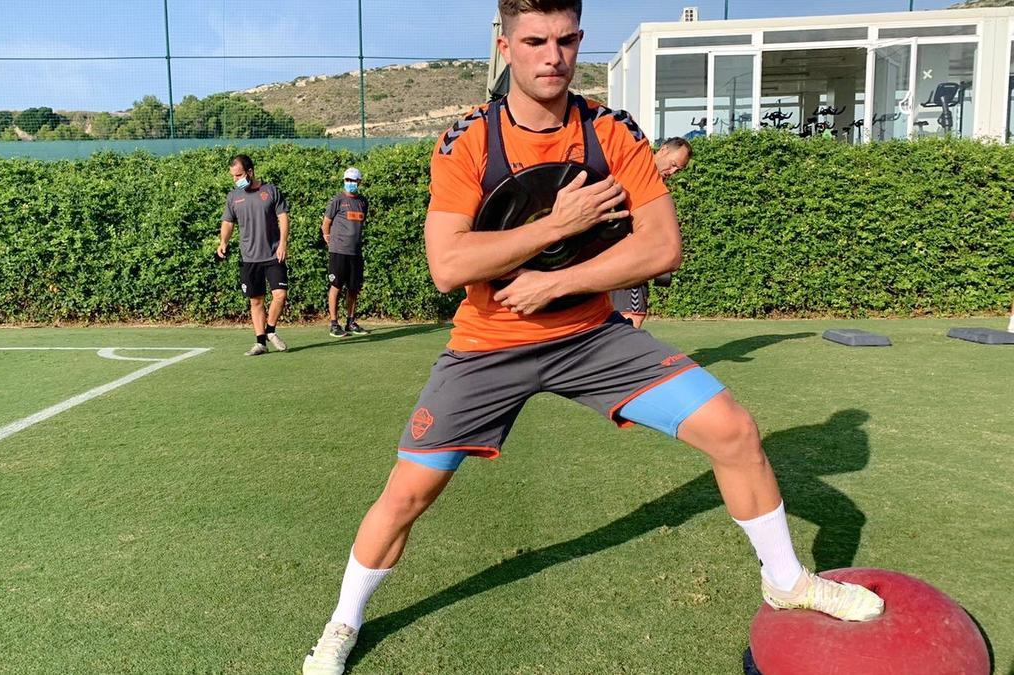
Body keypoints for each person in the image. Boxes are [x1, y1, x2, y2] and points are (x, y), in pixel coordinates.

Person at [303, 2, 883, 672]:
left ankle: (785, 579)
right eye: (534, 40)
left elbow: (663, 246)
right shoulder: (466, 140)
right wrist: (556, 223)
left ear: (580, 39)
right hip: (488, 343)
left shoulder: (611, 131)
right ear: (505, 46)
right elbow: (448, 265)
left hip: (589, 336)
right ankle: (344, 621)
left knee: (733, 428)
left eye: (567, 39)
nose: (553, 55)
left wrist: (555, 280)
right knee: (406, 494)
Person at [611, 136, 691, 328]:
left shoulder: (656, 186)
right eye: (672, 165)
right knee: (632, 316)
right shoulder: (632, 171)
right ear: (663, 150)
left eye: (678, 170)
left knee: (624, 316)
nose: (672, 172)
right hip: (626, 257)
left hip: (626, 257)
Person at [217, 154, 291, 356]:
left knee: (280, 295)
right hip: (249, 258)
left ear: (250, 171)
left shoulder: (271, 191)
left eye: (239, 175)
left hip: (273, 254)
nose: (236, 179)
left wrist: (283, 243)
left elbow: (283, 217)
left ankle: (270, 329)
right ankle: (261, 343)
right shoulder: (233, 196)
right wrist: (223, 241)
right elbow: (228, 222)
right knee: (256, 301)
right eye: (233, 176)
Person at [323, 167, 370, 338]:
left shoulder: (363, 202)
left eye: (353, 181)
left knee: (353, 288)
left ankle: (350, 321)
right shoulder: (337, 200)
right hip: (338, 252)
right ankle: (334, 324)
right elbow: (326, 223)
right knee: (336, 286)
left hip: (356, 253)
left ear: (359, 182)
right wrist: (329, 239)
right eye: (347, 180)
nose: (350, 184)